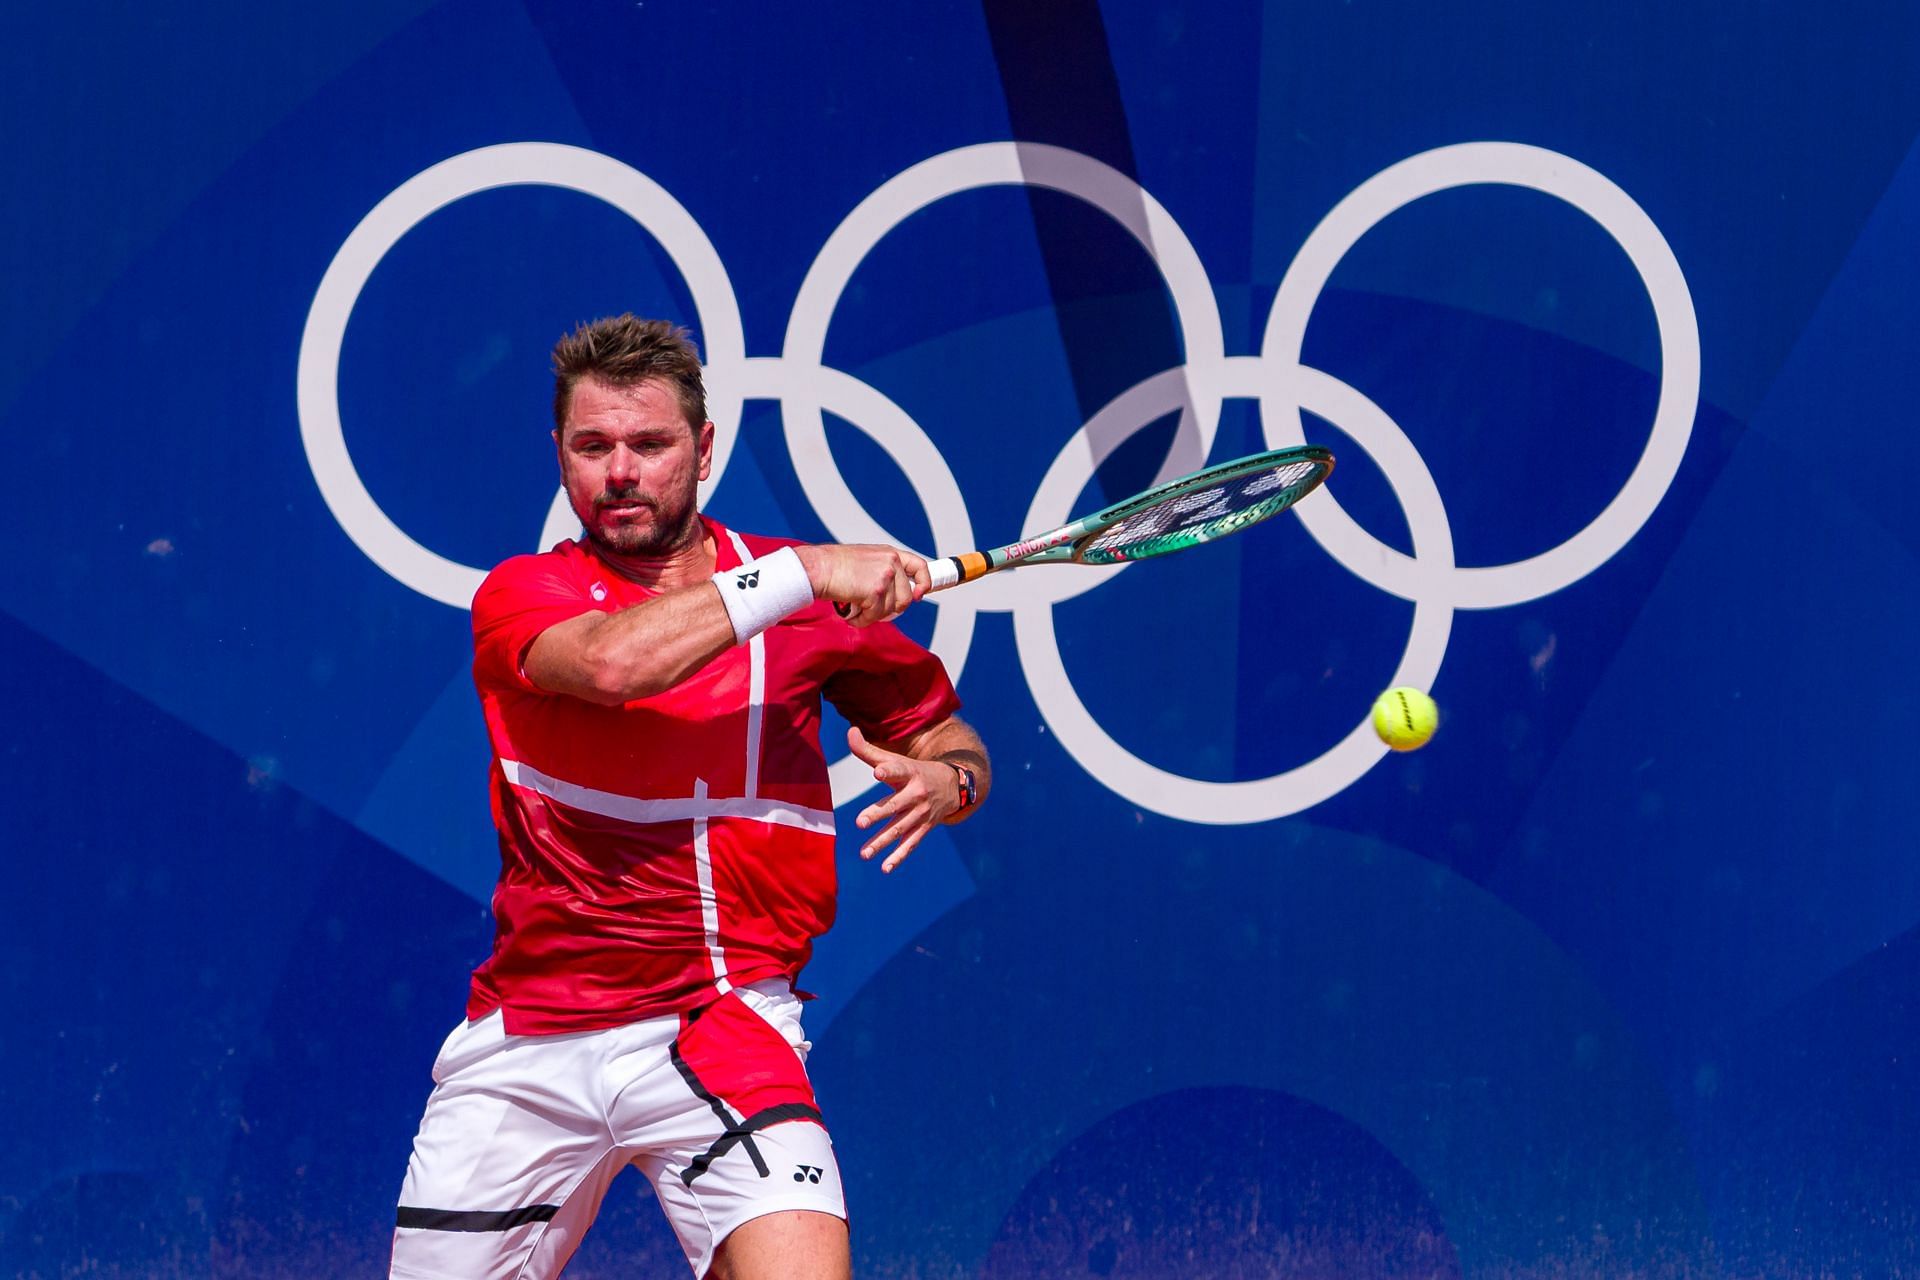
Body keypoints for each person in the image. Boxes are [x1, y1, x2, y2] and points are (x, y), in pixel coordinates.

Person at [389, 315, 990, 1280]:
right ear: (560, 454)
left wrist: (947, 780)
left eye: (650, 444)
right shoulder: (523, 594)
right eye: (592, 447)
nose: (619, 472)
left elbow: (949, 738)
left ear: (703, 450)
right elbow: (614, 665)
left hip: (723, 1019)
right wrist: (806, 572)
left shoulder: (807, 607)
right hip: (533, 1040)